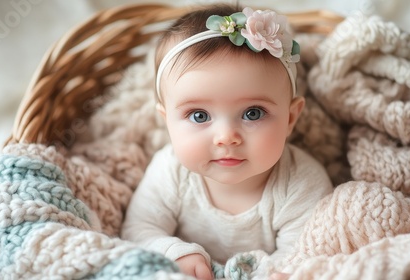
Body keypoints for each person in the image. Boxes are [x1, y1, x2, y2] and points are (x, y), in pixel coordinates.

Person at [121, 4, 333, 280]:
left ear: (290, 118)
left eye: (252, 113)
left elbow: (306, 253)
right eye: (199, 115)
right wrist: (175, 252)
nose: (226, 137)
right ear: (166, 121)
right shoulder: (169, 171)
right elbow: (138, 229)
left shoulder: (302, 184)